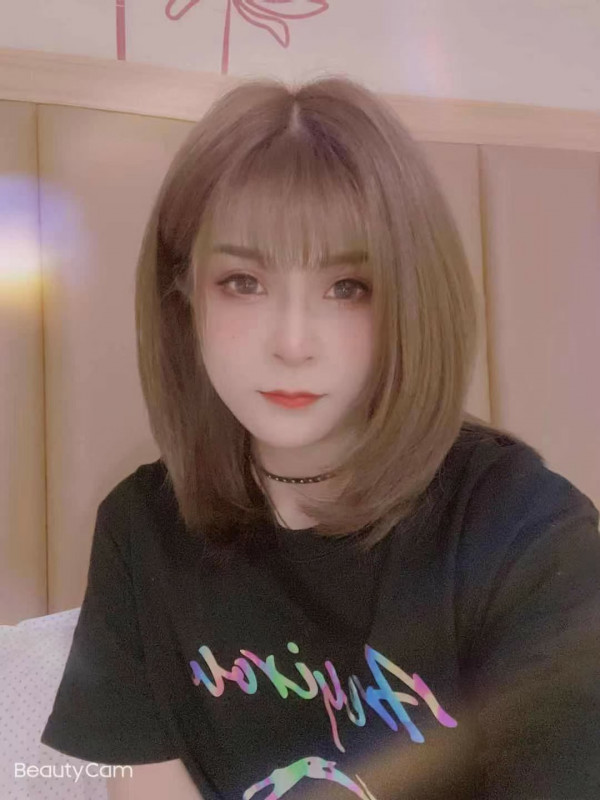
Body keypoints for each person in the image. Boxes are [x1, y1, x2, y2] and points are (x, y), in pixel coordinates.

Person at [40, 75, 600, 800]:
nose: (293, 343)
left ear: (411, 299)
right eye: (243, 281)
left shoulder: (526, 533)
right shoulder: (140, 533)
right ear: (184, 296)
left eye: (347, 288)